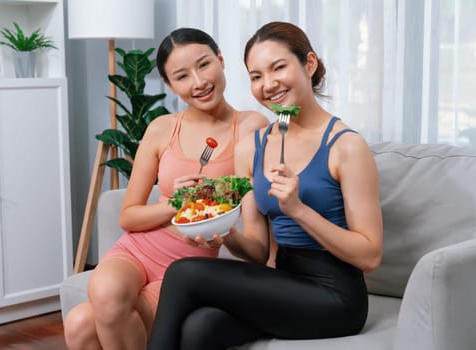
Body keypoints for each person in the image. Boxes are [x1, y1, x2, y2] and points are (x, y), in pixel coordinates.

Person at [147, 21, 383, 350]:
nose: (268, 84)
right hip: (283, 278)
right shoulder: (252, 147)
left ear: (309, 64)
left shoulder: (346, 146)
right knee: (199, 329)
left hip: (336, 295)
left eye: (278, 68)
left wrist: (299, 210)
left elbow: (370, 256)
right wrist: (227, 231)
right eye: (256, 76)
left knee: (184, 273)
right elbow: (257, 253)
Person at [63, 27, 268, 350]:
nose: (198, 82)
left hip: (187, 267)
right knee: (98, 298)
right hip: (136, 250)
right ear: (171, 85)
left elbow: (258, 248)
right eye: (182, 76)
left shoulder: (251, 127)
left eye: (204, 65)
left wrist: (228, 231)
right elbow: (129, 217)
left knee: (81, 325)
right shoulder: (161, 129)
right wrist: (177, 204)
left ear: (221, 60)